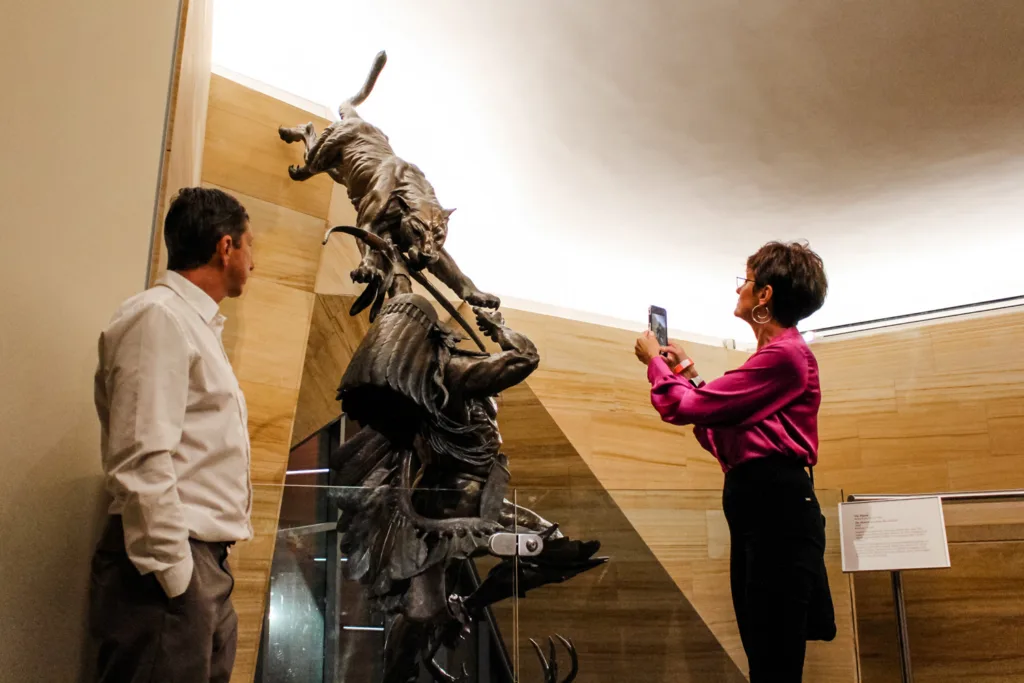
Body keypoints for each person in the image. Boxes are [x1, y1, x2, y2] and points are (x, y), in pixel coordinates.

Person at [634, 241, 830, 683]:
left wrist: (656, 366)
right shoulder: (772, 358)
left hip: (776, 512)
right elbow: (718, 423)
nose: (738, 288)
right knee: (766, 654)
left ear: (764, 294)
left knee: (773, 662)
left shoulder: (786, 356)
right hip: (763, 512)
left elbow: (685, 409)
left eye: (744, 280)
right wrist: (683, 369)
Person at [90, 187, 255, 683]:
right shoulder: (158, 316)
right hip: (170, 566)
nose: (254, 262)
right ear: (226, 247)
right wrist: (177, 577)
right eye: (251, 246)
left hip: (201, 564)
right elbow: (141, 456)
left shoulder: (191, 324)